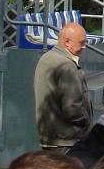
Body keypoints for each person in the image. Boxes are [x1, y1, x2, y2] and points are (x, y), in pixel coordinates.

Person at [33, 22, 93, 151]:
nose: (84, 47)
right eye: (81, 43)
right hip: (66, 140)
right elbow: (72, 107)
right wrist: (86, 122)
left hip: (51, 137)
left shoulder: (47, 58)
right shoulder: (66, 65)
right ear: (67, 42)